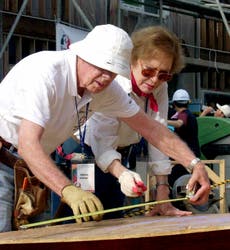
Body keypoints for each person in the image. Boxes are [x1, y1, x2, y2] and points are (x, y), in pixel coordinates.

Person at [0, 24, 210, 233]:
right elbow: (28, 144)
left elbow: (152, 130)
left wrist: (194, 163)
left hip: (27, 168)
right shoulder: (44, 74)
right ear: (82, 55)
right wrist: (68, 189)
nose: (105, 78)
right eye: (100, 68)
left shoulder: (106, 87)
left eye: (112, 72)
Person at [77, 27, 209, 217]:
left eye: (164, 75)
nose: (155, 80)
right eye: (148, 71)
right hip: (86, 154)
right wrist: (122, 174)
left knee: (113, 221)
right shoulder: (114, 84)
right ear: (133, 60)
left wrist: (162, 191)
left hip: (121, 155)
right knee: (81, 220)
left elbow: (159, 134)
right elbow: (102, 143)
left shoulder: (159, 87)